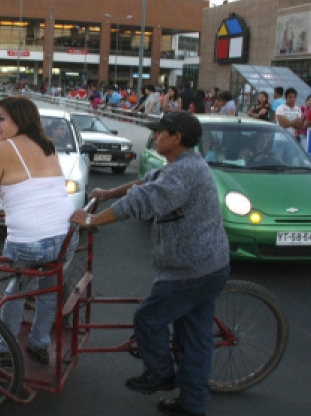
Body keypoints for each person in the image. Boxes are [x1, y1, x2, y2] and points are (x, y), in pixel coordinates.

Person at [70, 111, 229, 416]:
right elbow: (145, 183)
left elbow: (141, 201)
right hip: (208, 265)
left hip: (191, 272)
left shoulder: (184, 173)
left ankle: (161, 373)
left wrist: (92, 220)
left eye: (159, 133)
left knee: (148, 318)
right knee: (194, 340)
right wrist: (107, 193)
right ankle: (192, 406)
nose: (155, 137)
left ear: (177, 138)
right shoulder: (181, 165)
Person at [0, 96, 78, 366]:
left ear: (20, 120)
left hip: (29, 243)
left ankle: (6, 347)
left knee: (16, 290)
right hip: (66, 236)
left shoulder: (1, 151)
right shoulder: (48, 145)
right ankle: (39, 343)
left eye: (1, 119)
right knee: (49, 290)